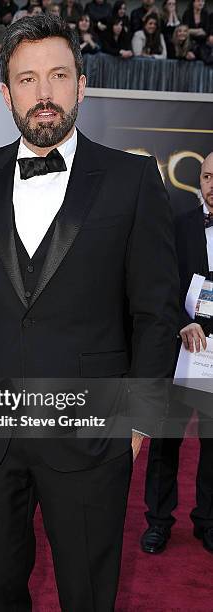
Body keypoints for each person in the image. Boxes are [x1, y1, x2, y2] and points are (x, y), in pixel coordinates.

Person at [0, 14, 178, 612]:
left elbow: (156, 311)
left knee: (87, 595)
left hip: (92, 430)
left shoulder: (132, 178)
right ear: (6, 93)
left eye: (58, 76)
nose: (44, 93)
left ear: (81, 85)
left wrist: (141, 417)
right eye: (28, 79)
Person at [141, 153, 213, 556]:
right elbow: (160, 287)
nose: (210, 184)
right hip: (181, 349)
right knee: (166, 443)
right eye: (205, 176)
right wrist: (178, 324)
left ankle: (208, 520)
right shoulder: (178, 224)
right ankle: (158, 521)